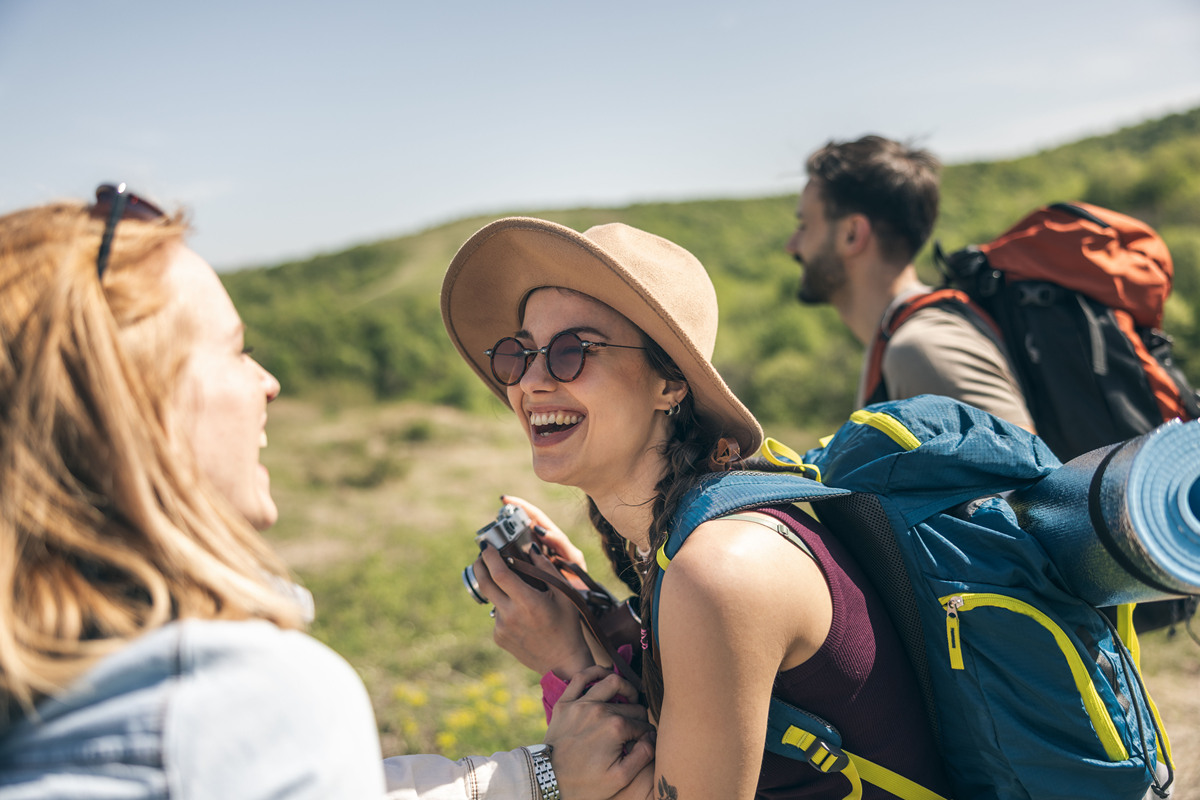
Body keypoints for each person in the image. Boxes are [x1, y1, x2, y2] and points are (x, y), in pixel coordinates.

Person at [0, 186, 653, 799]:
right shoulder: (239, 704)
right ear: (132, 404)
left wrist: (586, 644)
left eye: (573, 351)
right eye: (233, 350)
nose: (268, 382)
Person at [441, 217, 951, 799]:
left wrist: (568, 661)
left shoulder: (719, 568)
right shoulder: (684, 537)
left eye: (570, 351)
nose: (530, 382)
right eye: (520, 353)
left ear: (669, 383)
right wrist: (596, 615)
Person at [785, 134, 1035, 430]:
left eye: (804, 225)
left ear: (852, 234)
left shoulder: (922, 349)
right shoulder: (900, 340)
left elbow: (1027, 471)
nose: (792, 245)